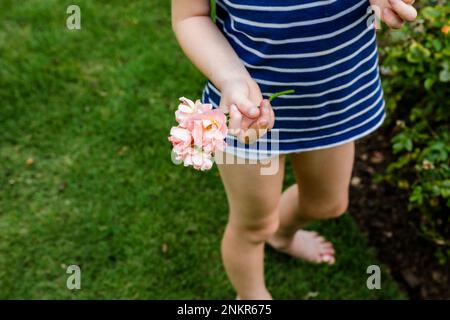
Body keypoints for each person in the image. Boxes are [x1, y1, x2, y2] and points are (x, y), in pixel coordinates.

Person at [171, 0, 417, 300]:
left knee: (326, 204)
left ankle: (281, 234)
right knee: (255, 225)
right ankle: (251, 296)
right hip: (251, 116)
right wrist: (231, 79)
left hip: (332, 105)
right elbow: (190, 17)